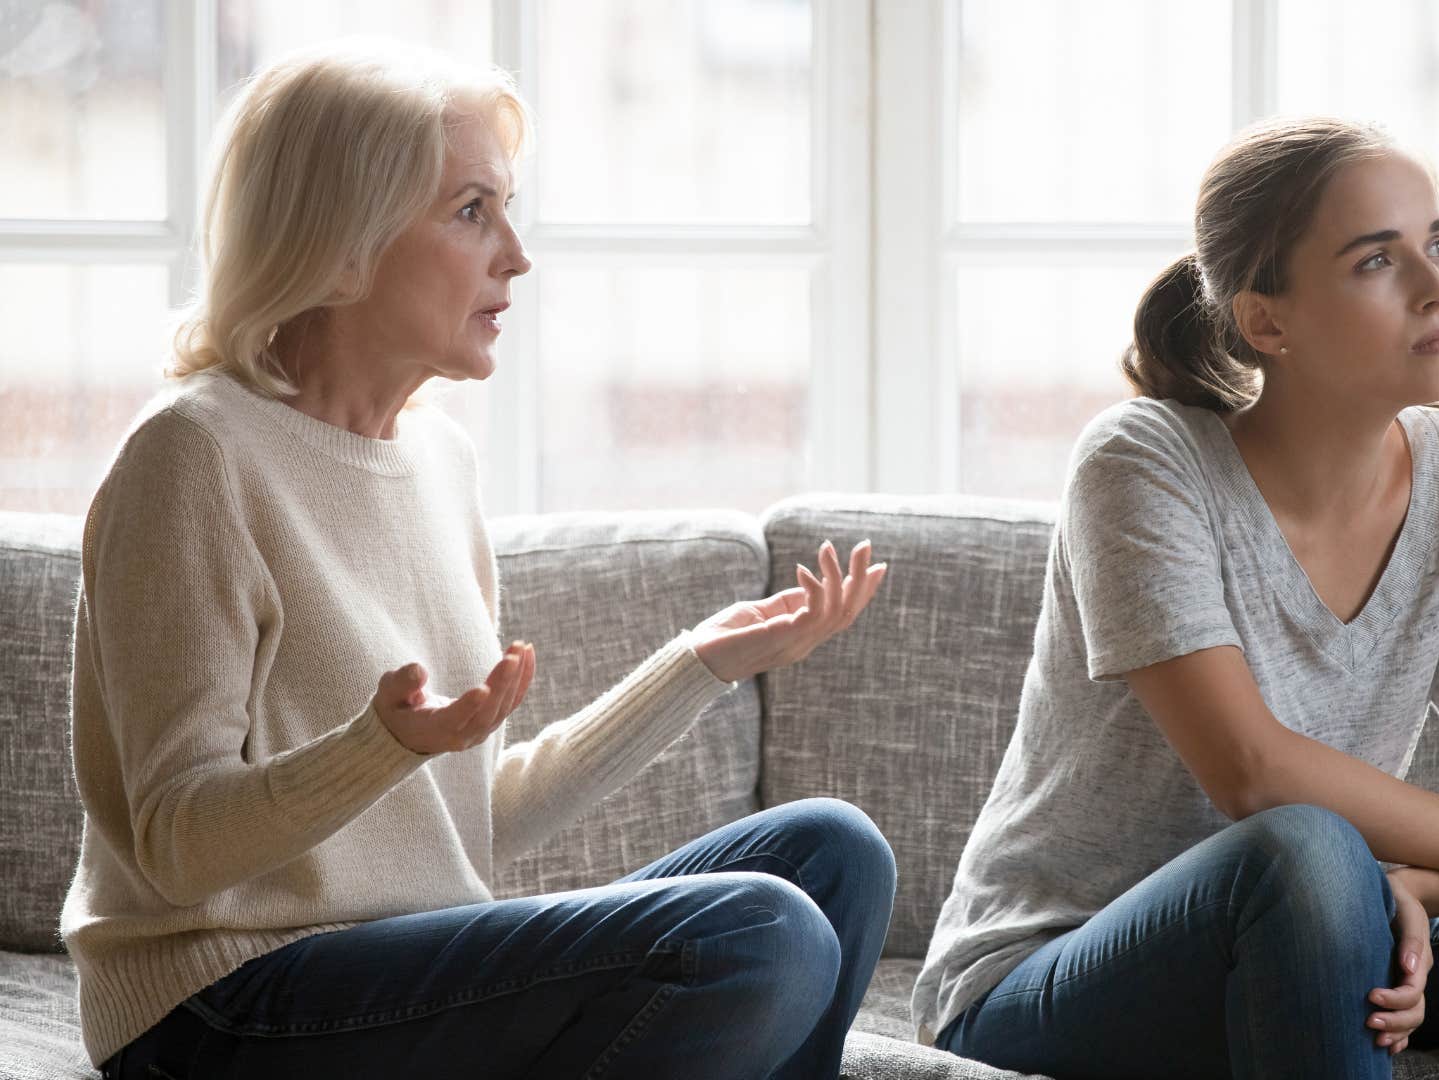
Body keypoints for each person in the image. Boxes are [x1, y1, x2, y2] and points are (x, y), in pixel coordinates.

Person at [62, 40, 894, 1080]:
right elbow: (177, 846)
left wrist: (700, 666)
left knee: (831, 857)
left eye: (508, 208)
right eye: (471, 212)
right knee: (758, 932)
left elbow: (465, 824)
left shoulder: (439, 461)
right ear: (341, 242)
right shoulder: (194, 456)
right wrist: (378, 746)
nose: (515, 254)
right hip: (222, 1006)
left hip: (393, 978)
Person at [912, 117, 1439, 1079]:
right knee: (1305, 851)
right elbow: (1253, 773)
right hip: (1049, 975)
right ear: (1266, 320)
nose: (1437, 289)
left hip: (1329, 925)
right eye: (1375, 262)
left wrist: (1419, 887)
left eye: (1437, 245)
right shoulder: (1141, 463)